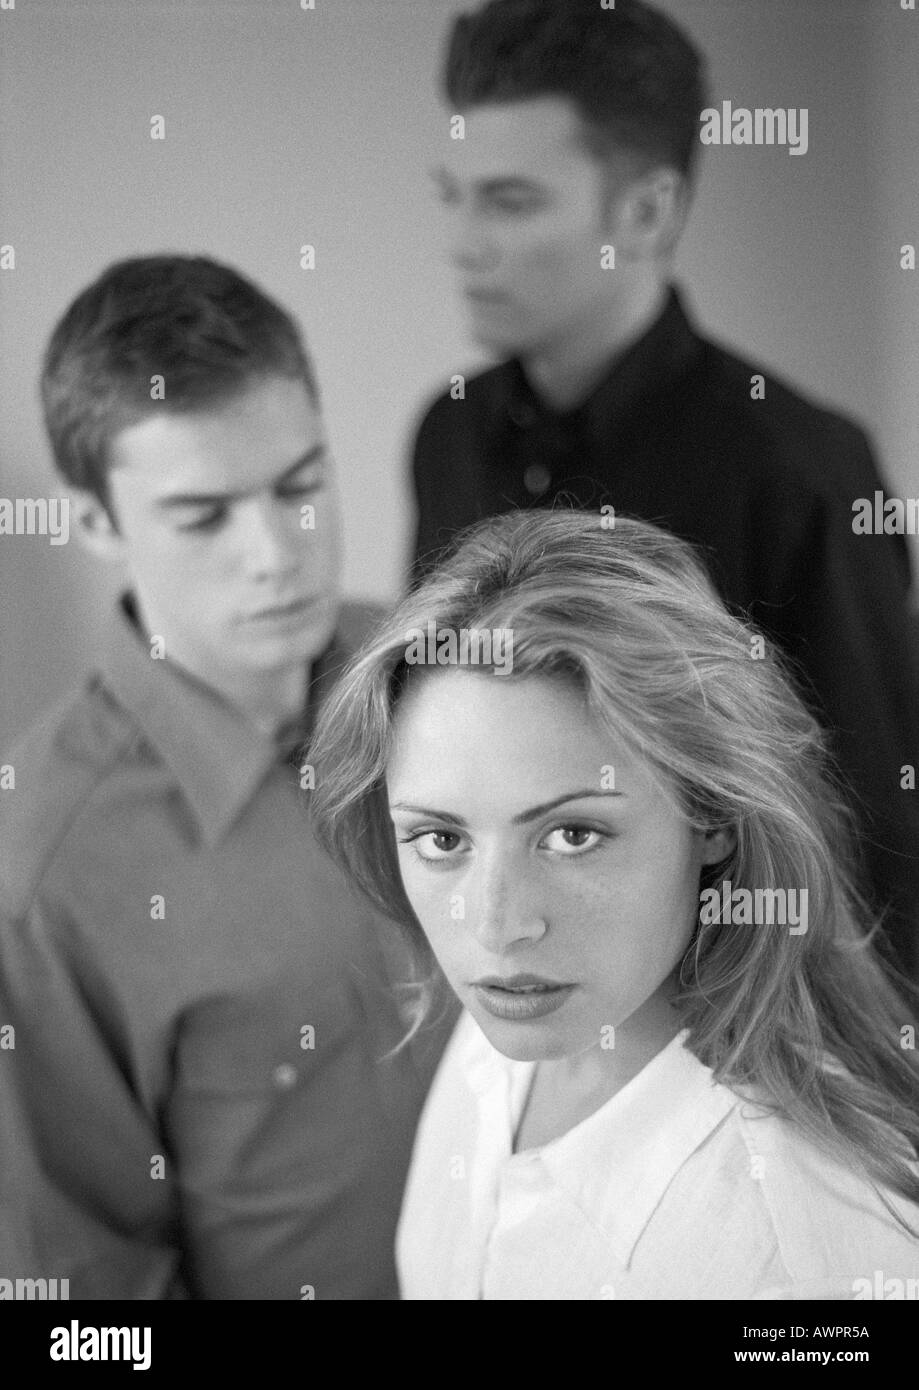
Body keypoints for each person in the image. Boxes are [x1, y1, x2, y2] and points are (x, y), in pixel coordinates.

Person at [409, 0, 919, 977]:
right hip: (501, 998)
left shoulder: (798, 466)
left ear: (644, 212)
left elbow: (878, 842)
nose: (462, 244)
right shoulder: (444, 436)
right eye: (452, 194)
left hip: (736, 1038)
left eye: (509, 202)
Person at [311, 508, 919, 1300]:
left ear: (713, 820)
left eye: (571, 836)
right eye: (441, 840)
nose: (496, 926)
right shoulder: (506, 1025)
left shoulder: (802, 1265)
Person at [0, 255, 436, 1299]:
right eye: (204, 516)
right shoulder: (42, 874)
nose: (277, 555)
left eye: (301, 487)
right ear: (99, 524)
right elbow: (89, 1298)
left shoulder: (443, 677)